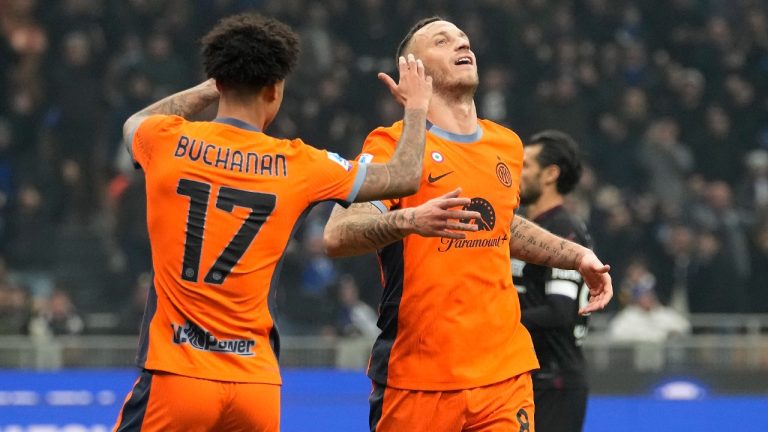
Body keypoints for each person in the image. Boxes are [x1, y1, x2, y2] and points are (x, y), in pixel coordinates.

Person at [112, 13, 433, 432]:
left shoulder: (164, 140)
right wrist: (417, 107)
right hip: (256, 386)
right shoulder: (301, 163)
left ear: (219, 81)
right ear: (275, 89)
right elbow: (404, 175)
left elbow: (132, 123)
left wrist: (209, 87)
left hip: (177, 375)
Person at [324, 17, 613, 432]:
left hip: (504, 375)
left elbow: (502, 226)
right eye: (442, 41)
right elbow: (337, 235)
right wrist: (411, 219)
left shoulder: (506, 144)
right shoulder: (392, 145)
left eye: (464, 39)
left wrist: (576, 255)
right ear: (412, 70)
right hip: (419, 378)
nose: (462, 45)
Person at [512, 130, 592, 432]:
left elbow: (559, 311)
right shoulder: (522, 227)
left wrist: (495, 319)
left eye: (526, 165)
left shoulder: (563, 230)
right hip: (525, 374)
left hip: (555, 378)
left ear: (550, 174)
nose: (517, 172)